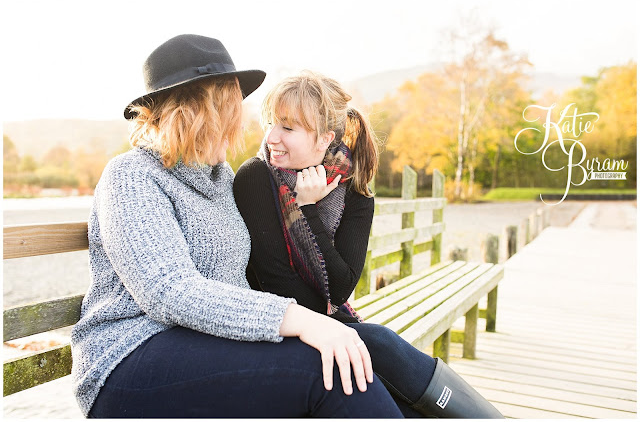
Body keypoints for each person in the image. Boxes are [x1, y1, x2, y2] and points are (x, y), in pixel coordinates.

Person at [70, 34, 405, 418]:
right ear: (194, 112)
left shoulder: (219, 177)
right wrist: (298, 319)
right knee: (326, 375)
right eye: (230, 107)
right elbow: (169, 291)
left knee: (348, 362)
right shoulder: (131, 176)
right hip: (128, 361)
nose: (239, 122)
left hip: (208, 347)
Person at [233, 71, 504, 418]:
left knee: (385, 374)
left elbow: (343, 286)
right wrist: (305, 207)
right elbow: (277, 284)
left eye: (288, 128)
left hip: (328, 318)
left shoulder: (354, 191)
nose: (272, 137)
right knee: (374, 343)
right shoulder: (255, 177)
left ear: (324, 139)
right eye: (270, 123)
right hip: (276, 325)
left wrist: (309, 210)